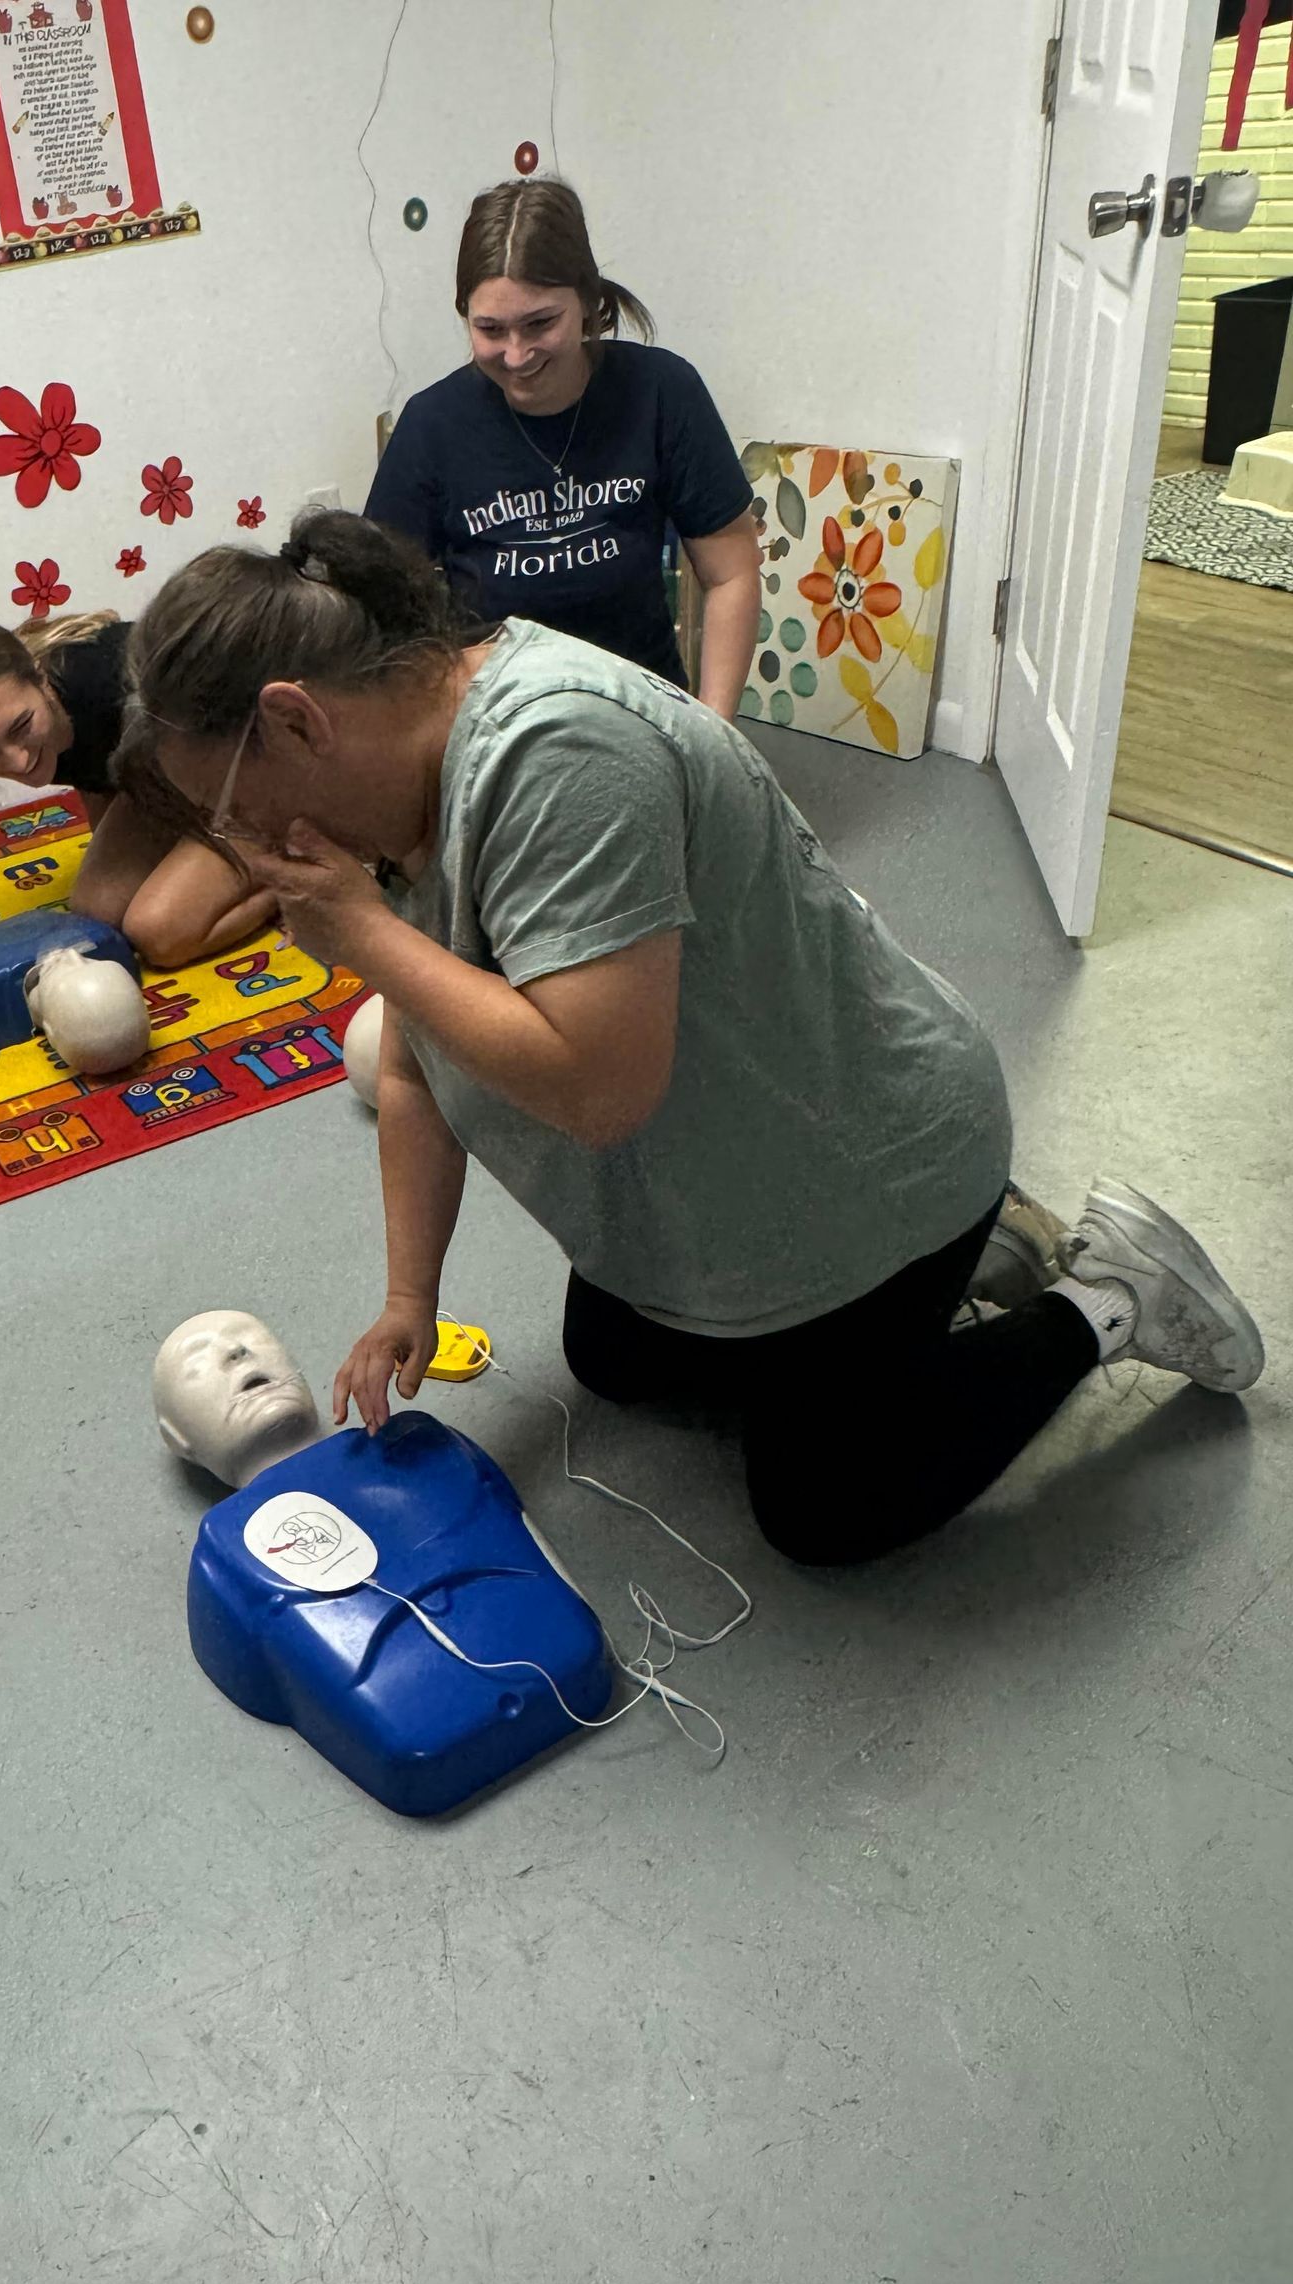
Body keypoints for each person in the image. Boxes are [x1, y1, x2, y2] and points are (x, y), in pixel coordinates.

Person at [117, 513, 1265, 1570]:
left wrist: (366, 936)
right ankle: (958, 1280)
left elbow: (601, 1088)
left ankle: (1106, 1296)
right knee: (614, 1357)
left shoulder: (554, 753)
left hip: (875, 1155)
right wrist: (408, 1296)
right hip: (757, 1152)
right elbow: (418, 1061)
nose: (246, 846)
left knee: (822, 1507)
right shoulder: (392, 791)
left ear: (294, 718)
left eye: (235, 811)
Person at [366, 176, 761, 718]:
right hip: (497, 722)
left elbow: (731, 572)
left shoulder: (663, 392)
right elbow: (378, 610)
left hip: (642, 711)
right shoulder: (431, 424)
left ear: (588, 302)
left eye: (540, 323)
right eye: (490, 329)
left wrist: (715, 735)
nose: (516, 353)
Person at [0, 611, 277, 968]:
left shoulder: (121, 692)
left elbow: (235, 764)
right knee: (96, 917)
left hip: (255, 769)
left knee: (157, 933)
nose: (17, 761)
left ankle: (290, 882)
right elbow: (96, 775)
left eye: (21, 727)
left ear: (41, 679)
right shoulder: (44, 719)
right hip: (166, 781)